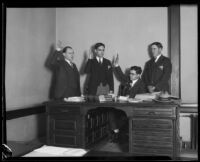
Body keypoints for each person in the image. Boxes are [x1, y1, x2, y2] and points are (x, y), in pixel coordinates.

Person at [107, 54, 146, 143]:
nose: (130, 75)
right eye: (130, 73)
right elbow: (120, 75)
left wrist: (131, 98)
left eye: (133, 74)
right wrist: (116, 65)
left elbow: (141, 99)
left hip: (133, 109)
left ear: (138, 75)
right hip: (123, 106)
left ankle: (118, 134)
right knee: (111, 112)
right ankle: (116, 132)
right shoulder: (127, 80)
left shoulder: (142, 85)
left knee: (122, 118)